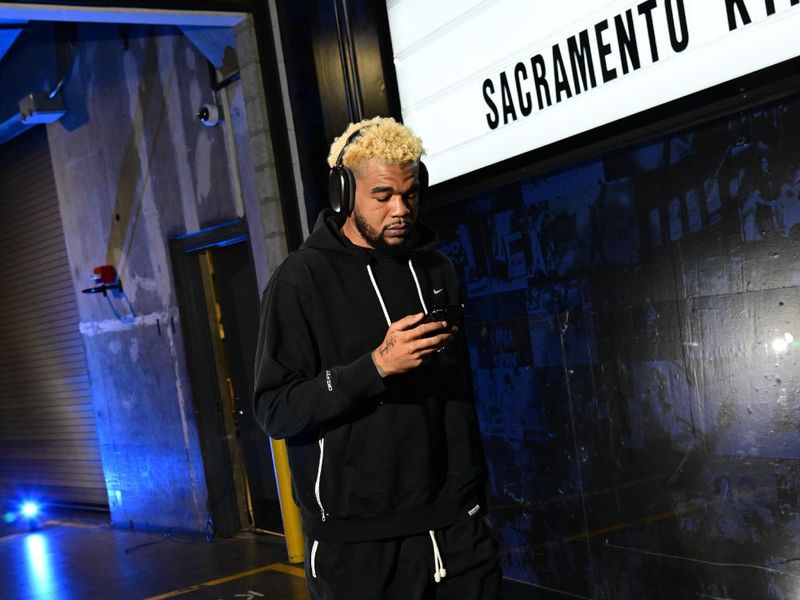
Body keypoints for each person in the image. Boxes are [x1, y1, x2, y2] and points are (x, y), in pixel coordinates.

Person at [252, 116, 501, 599]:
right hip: (359, 548)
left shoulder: (437, 268)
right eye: (383, 195)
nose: (400, 209)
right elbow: (275, 410)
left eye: (409, 195)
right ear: (344, 193)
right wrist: (376, 367)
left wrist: (479, 508)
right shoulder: (299, 281)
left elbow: (461, 397)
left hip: (458, 529)